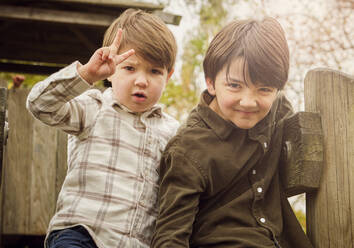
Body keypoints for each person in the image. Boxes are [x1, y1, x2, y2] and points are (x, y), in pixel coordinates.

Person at [151, 17, 313, 248]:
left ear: (277, 89)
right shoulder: (188, 149)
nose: (248, 102)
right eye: (235, 85)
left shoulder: (276, 113)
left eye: (264, 89)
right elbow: (170, 237)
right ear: (211, 82)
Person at [26, 8, 179, 248]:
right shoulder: (94, 108)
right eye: (129, 68)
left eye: (154, 71)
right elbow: (40, 105)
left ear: (168, 76)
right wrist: (86, 74)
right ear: (111, 70)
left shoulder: (172, 131)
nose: (141, 80)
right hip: (81, 233)